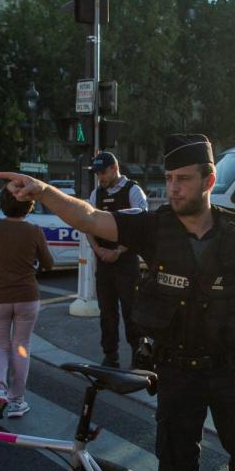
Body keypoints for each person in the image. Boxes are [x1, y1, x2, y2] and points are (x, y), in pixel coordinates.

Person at [0, 134, 235, 471]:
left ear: (209, 181)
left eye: (183, 179)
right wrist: (42, 190)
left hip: (230, 369)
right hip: (176, 372)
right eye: (169, 178)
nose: (173, 188)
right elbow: (89, 217)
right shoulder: (153, 227)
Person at [0, 188, 54, 419]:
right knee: (21, 345)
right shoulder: (34, 230)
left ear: (3, 204)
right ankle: (17, 401)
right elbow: (49, 263)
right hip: (27, 295)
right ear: (28, 205)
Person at [86, 152, 148, 368]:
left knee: (132, 311)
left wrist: (118, 251)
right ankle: (110, 356)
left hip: (126, 261)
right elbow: (88, 223)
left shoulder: (133, 190)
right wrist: (97, 248)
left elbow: (141, 226)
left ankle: (139, 355)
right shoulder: (96, 193)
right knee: (107, 313)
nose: (100, 177)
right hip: (103, 261)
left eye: (103, 172)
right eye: (97, 174)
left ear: (114, 168)